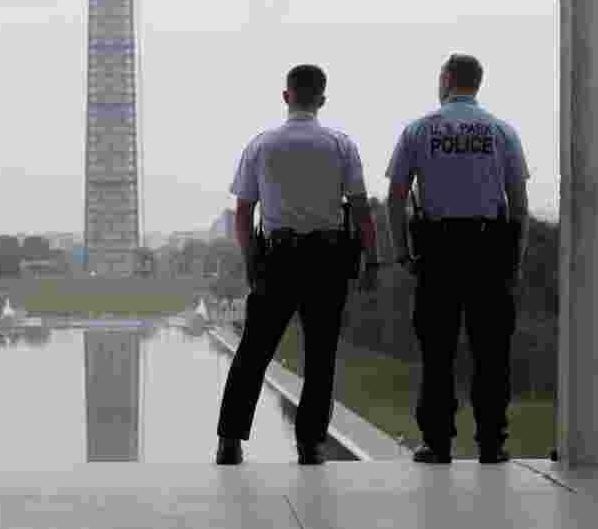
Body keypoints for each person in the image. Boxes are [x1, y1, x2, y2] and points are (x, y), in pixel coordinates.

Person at [215, 64, 381, 466]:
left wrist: (251, 261)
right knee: (320, 357)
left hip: (277, 258)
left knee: (253, 354)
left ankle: (230, 442)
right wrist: (372, 261)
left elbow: (243, 213)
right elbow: (361, 212)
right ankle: (310, 445)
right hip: (327, 261)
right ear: (322, 100)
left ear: (286, 96)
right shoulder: (341, 145)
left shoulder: (262, 145)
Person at [384, 54, 529, 465]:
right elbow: (518, 202)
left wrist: (401, 251)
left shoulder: (419, 129)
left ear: (446, 79)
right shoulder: (502, 131)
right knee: (492, 352)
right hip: (490, 250)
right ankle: (491, 443)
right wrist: (515, 260)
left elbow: (396, 198)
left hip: (439, 250)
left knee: (437, 351)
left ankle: (437, 442)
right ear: (477, 83)